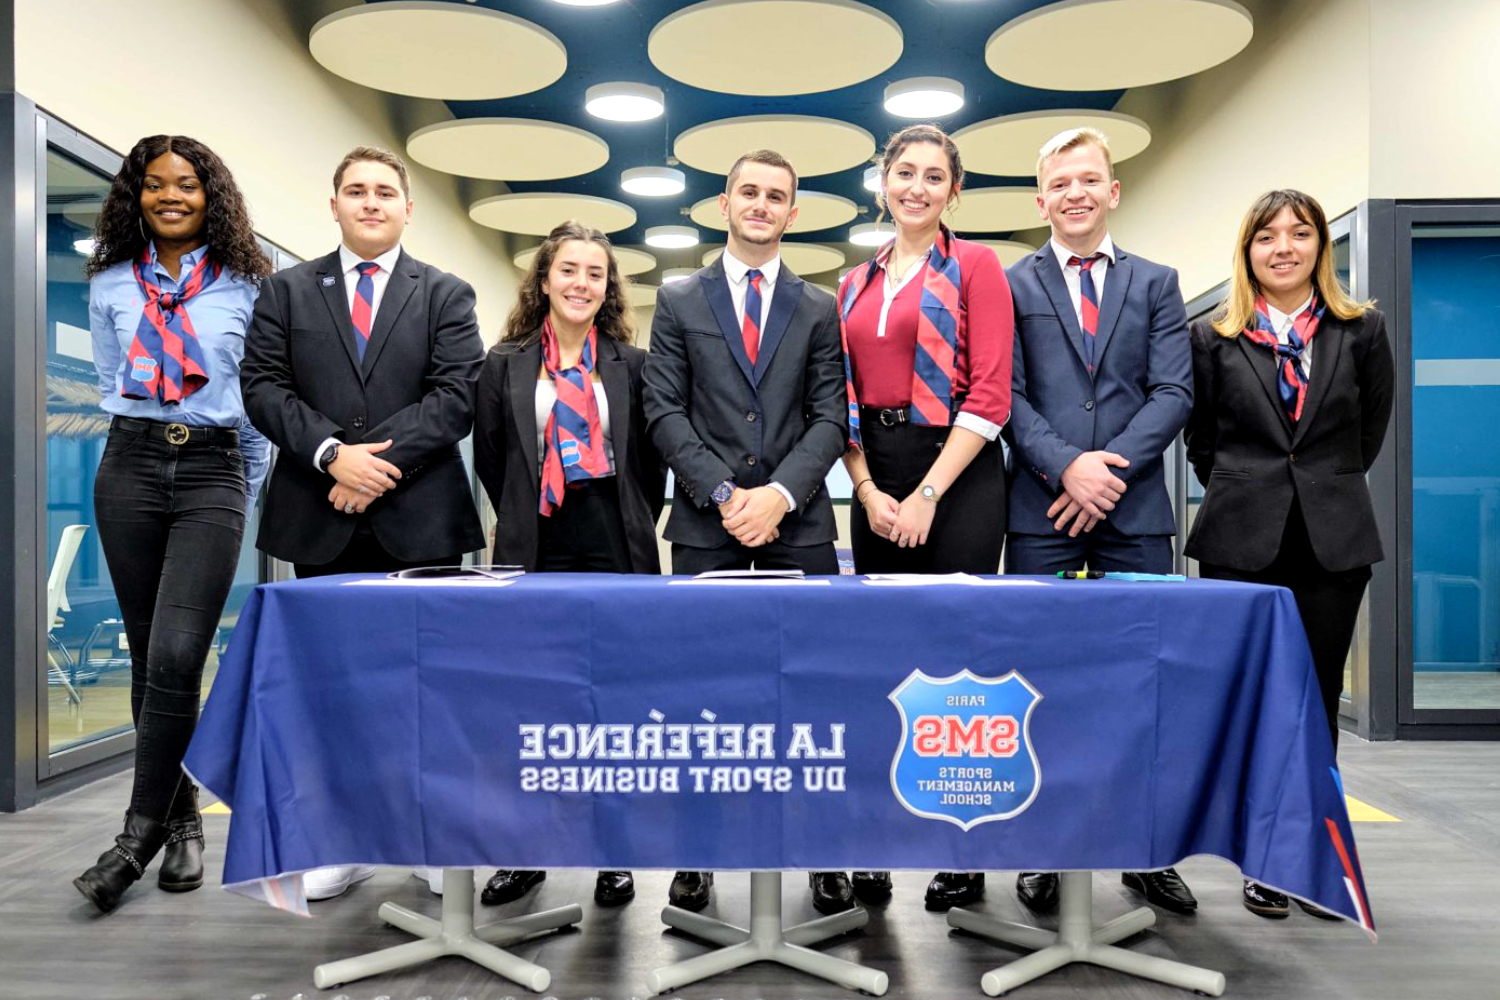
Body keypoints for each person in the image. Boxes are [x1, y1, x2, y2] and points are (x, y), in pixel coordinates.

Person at [240, 145, 484, 900]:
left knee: (426, 685)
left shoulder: (446, 293)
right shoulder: (285, 291)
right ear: (335, 204)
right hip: (320, 519)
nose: (371, 202)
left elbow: (456, 396)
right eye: (356, 191)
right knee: (335, 688)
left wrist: (371, 467)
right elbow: (262, 387)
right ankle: (340, 841)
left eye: (385, 191)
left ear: (408, 207)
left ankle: (424, 839)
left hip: (423, 520)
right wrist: (328, 455)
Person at [642, 149, 849, 914]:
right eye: (749, 193)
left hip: (798, 529)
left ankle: (827, 851)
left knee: (815, 692)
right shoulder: (678, 297)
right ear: (723, 205)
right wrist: (730, 493)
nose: (762, 205)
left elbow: (831, 415)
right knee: (700, 693)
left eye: (777, 196)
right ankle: (696, 853)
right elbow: (662, 409)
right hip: (706, 524)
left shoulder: (819, 307)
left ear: (793, 214)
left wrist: (781, 497)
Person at [73, 135, 272, 913]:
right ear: (136, 196)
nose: (170, 197)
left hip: (213, 470)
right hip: (128, 466)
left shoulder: (249, 287)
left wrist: (238, 491)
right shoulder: (110, 285)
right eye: (154, 185)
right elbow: (106, 383)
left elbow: (256, 402)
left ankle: (135, 837)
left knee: (182, 650)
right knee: (150, 653)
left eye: (186, 184)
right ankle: (184, 822)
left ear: (209, 194)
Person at [1184, 189, 1393, 920]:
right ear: (1248, 251)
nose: (1283, 247)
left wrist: (1313, 485)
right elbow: (1202, 441)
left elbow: (1369, 432)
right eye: (1266, 236)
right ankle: (1262, 858)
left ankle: (1311, 853)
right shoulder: (1214, 337)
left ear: (1319, 248)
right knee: (1252, 697)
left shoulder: (1361, 330)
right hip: (1241, 537)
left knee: (1316, 696)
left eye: (1299, 234)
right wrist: (1254, 488)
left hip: (1332, 541)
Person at [1003, 127, 1197, 916]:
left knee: (1140, 682)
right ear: (1040, 198)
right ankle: (1044, 847)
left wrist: (1105, 470)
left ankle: (1145, 853)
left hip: (1135, 507)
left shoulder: (1157, 282)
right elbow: (1004, 395)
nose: (1076, 193)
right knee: (1039, 681)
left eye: (1092, 179)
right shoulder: (1010, 286)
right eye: (1061, 182)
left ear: (1113, 192)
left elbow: (1174, 394)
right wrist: (1065, 467)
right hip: (1041, 507)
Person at [834, 124, 1014, 912]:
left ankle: (962, 852)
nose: (916, 187)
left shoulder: (977, 266)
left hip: (959, 476)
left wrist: (929, 496)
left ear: (954, 191)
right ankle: (872, 845)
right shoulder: (853, 282)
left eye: (933, 176)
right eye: (902, 172)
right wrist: (869, 492)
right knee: (878, 667)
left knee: (956, 678)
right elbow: (836, 400)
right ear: (882, 180)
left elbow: (992, 392)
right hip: (875, 476)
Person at [472, 221, 665, 907]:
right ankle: (526, 850)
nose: (582, 283)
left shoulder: (633, 366)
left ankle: (615, 850)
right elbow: (496, 462)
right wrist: (526, 514)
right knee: (531, 695)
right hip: (535, 542)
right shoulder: (504, 364)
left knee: (613, 697)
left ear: (608, 287)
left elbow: (651, 466)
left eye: (595, 273)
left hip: (615, 535)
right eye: (569, 270)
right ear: (544, 279)